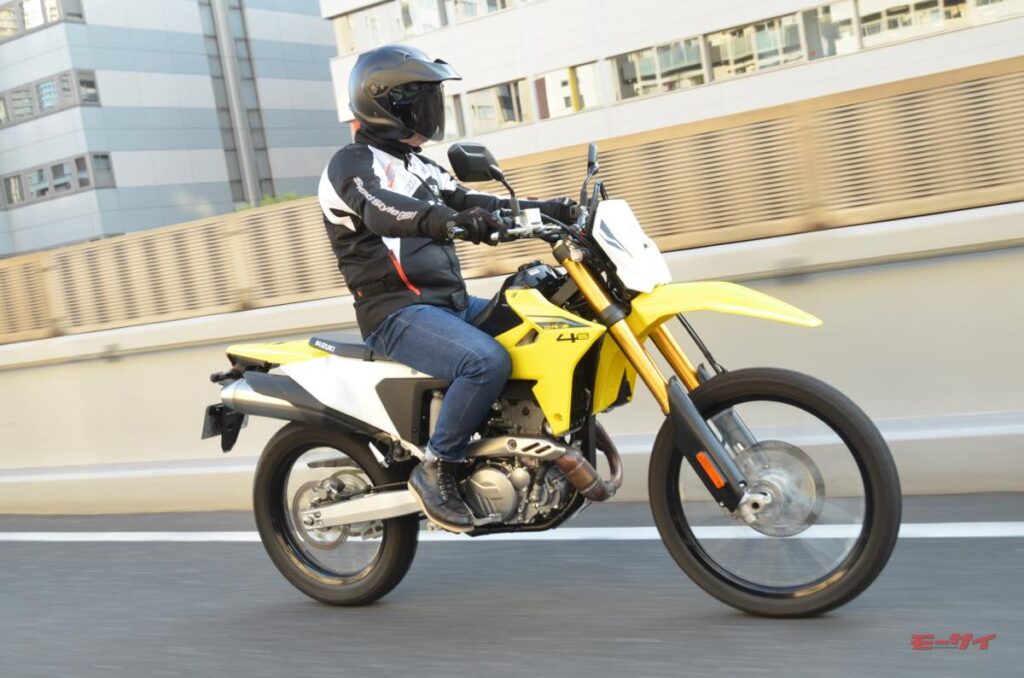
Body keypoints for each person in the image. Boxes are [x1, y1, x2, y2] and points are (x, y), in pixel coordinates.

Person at [317, 44, 577, 532]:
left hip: (448, 305)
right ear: (387, 104)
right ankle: (437, 468)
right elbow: (382, 209)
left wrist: (555, 210)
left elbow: (478, 200)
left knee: (543, 323)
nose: (432, 110)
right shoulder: (351, 164)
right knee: (485, 361)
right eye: (423, 99)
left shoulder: (420, 165)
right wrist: (447, 220)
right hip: (395, 312)